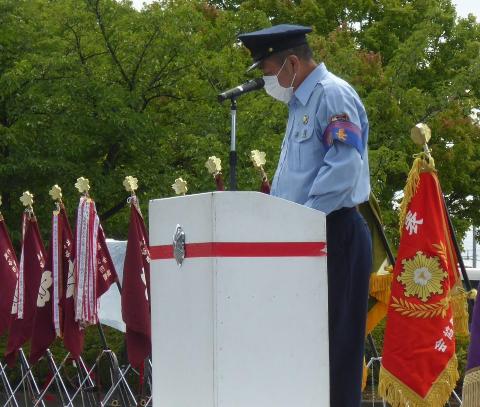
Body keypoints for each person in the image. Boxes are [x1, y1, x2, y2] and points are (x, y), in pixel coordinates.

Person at [238, 24, 373, 407]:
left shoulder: (332, 95)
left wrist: (300, 225)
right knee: (303, 350)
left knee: (335, 352)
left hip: (333, 233)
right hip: (304, 239)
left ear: (292, 63)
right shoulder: (300, 103)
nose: (267, 81)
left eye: (267, 71)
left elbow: (344, 167)